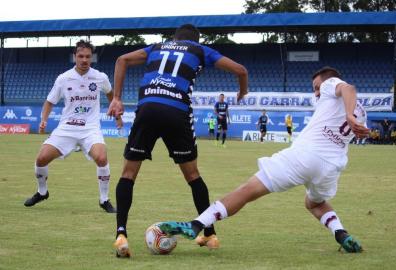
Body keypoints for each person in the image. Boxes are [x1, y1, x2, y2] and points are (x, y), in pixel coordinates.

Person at [158, 66, 370, 253]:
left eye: (316, 87)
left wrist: (348, 114)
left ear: (327, 81)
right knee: (314, 203)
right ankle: (341, 234)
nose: (315, 92)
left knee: (246, 191)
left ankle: (195, 225)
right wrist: (353, 117)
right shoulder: (362, 111)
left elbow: (348, 88)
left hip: (303, 156)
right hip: (330, 168)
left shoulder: (331, 84)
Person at [107, 24, 248, 257]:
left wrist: (117, 98)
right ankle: (210, 234)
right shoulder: (200, 50)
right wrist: (242, 91)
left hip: (148, 108)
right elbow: (241, 70)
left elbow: (121, 59)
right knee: (193, 176)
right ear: (196, 39)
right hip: (176, 111)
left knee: (128, 174)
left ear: (174, 38)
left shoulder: (157, 47)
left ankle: (121, 234)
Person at [24, 40, 121, 213]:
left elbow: (111, 95)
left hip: (90, 128)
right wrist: (43, 120)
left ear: (92, 58)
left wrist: (116, 112)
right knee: (41, 159)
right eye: (81, 56)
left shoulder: (100, 77)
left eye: (88, 57)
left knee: (101, 157)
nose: (84, 60)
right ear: (74, 57)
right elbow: (49, 101)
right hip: (66, 128)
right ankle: (42, 192)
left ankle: (104, 199)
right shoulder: (63, 78)